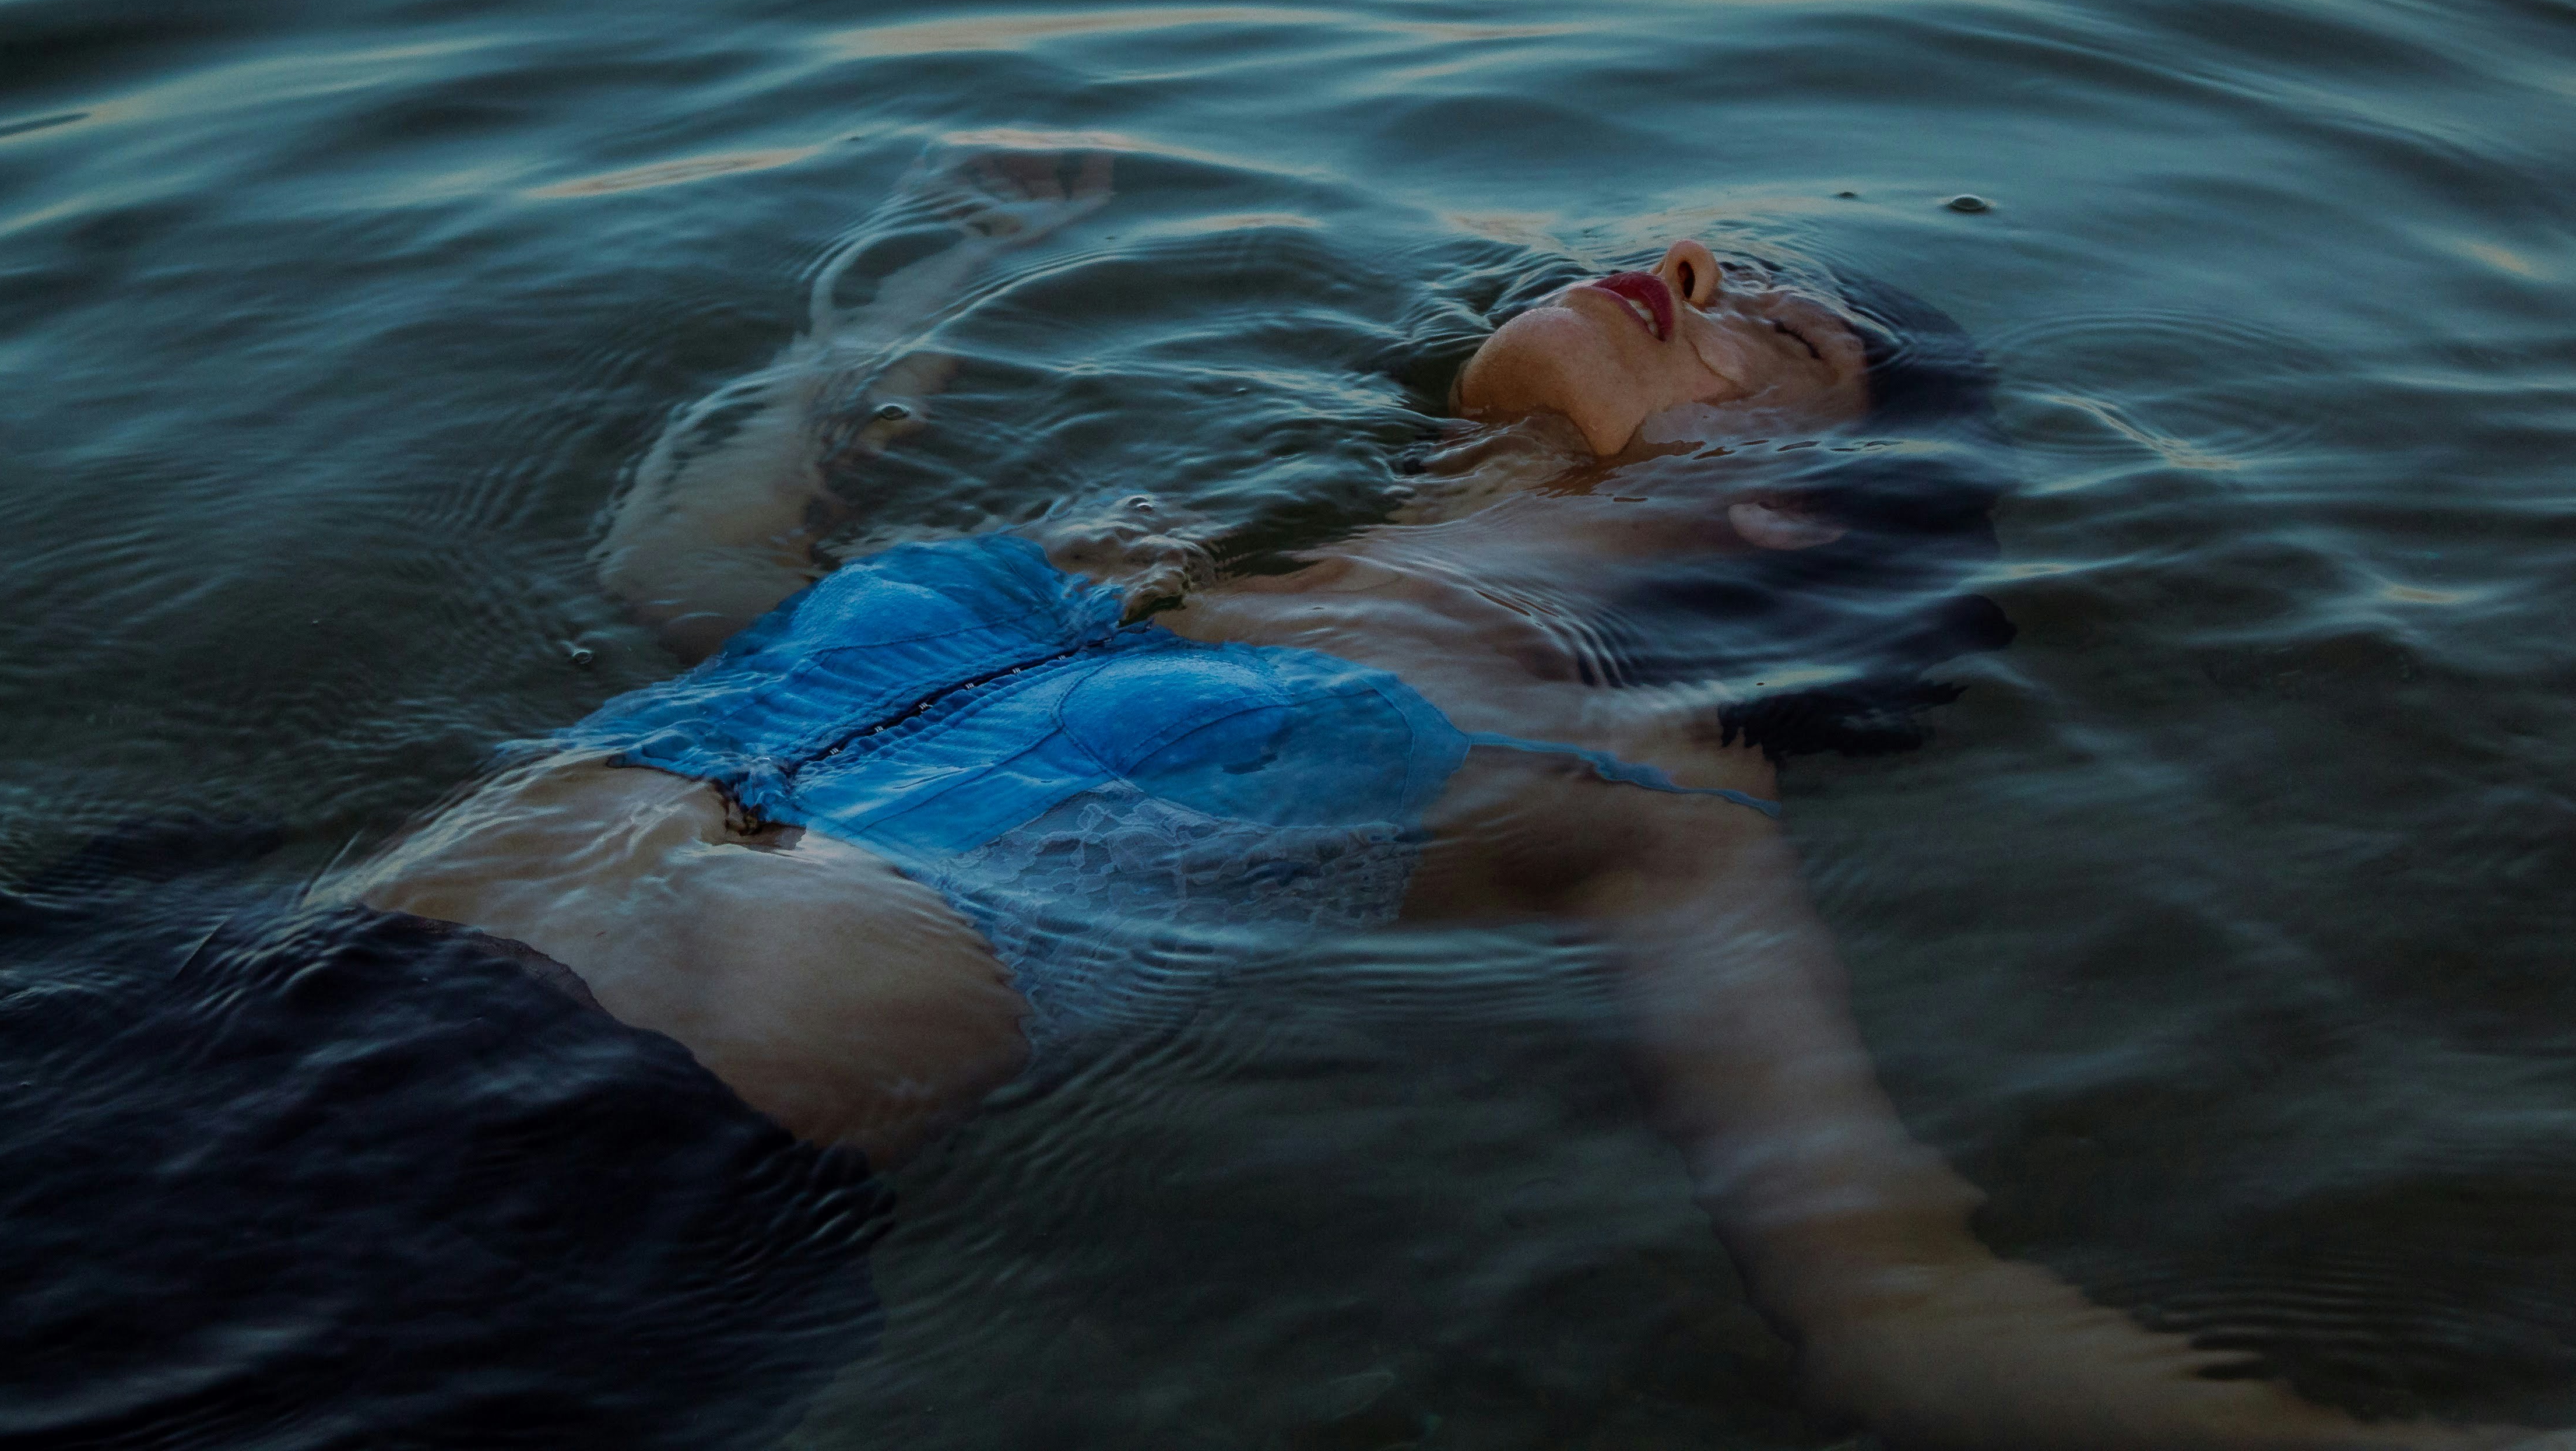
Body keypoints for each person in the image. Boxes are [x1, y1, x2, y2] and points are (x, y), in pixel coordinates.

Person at [317, 146, 2551, 1451]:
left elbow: (1893, 1301)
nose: (1692, 268)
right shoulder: (1134, 544)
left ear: (1796, 511)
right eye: (1721, 266)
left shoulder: (1643, 776)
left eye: (1777, 333)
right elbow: (684, 580)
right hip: (247, 991)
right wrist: (920, 275)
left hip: (538, 1217)